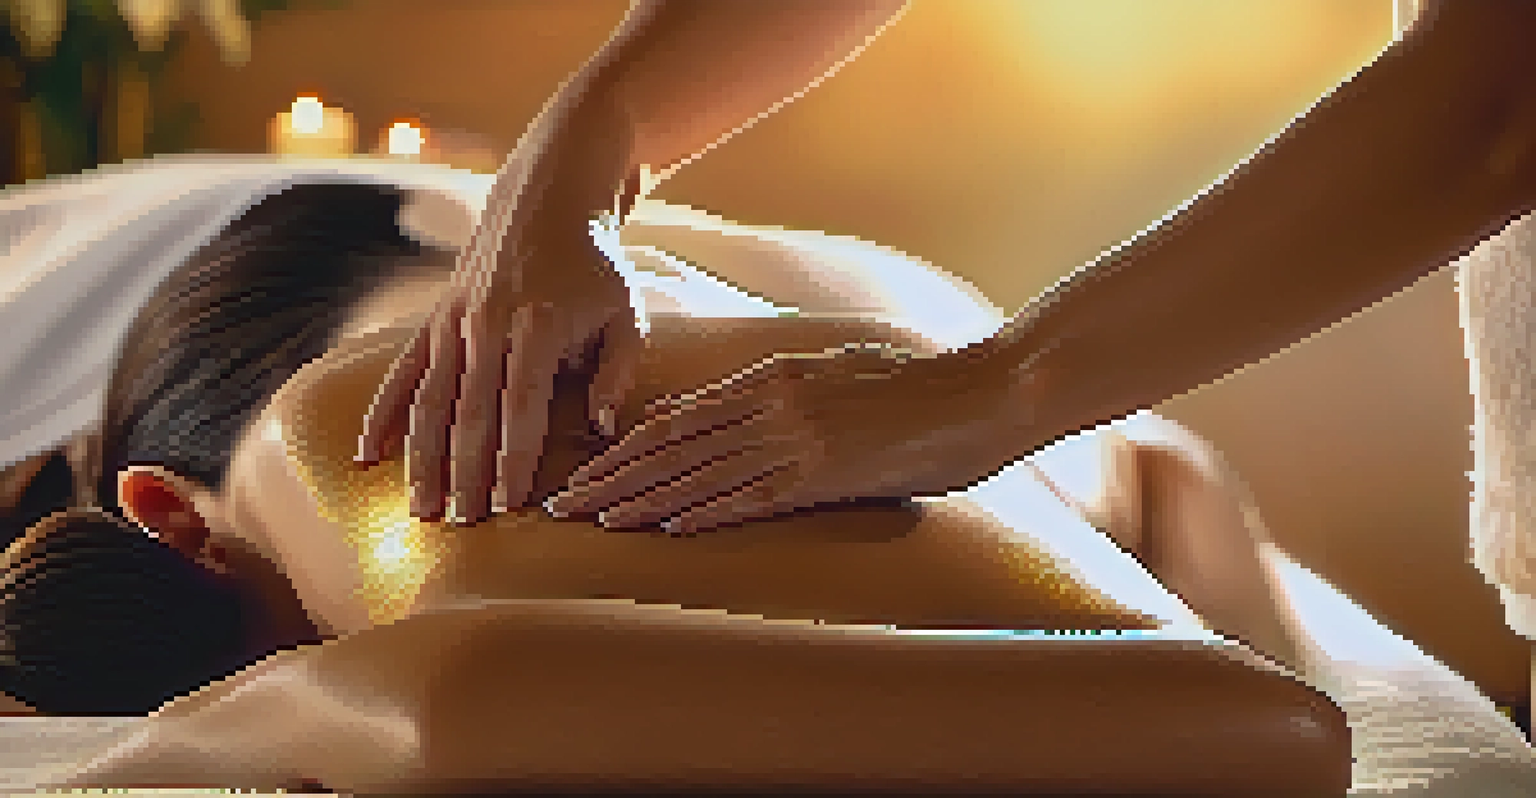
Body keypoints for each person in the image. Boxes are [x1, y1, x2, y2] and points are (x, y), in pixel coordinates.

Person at [0, 172, 1350, 794]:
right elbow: (1266, 707)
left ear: (170, 509)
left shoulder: (327, 447)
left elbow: (1267, 722)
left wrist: (253, 715)